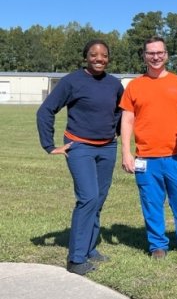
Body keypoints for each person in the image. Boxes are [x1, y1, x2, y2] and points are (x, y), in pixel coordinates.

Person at [36, 39, 123, 275]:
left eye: (103, 55)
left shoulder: (115, 85)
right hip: (79, 147)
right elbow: (46, 110)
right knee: (88, 198)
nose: (99, 59)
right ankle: (76, 259)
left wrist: (114, 134)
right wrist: (49, 145)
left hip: (107, 148)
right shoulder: (71, 81)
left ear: (108, 58)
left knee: (99, 200)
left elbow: (119, 113)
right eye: (94, 55)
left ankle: (89, 248)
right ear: (86, 57)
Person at [120, 36, 177, 259]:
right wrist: (125, 152)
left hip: (176, 157)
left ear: (167, 55)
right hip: (146, 158)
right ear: (144, 56)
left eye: (159, 52)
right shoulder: (135, 86)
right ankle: (157, 245)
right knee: (151, 203)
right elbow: (127, 120)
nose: (155, 57)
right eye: (151, 53)